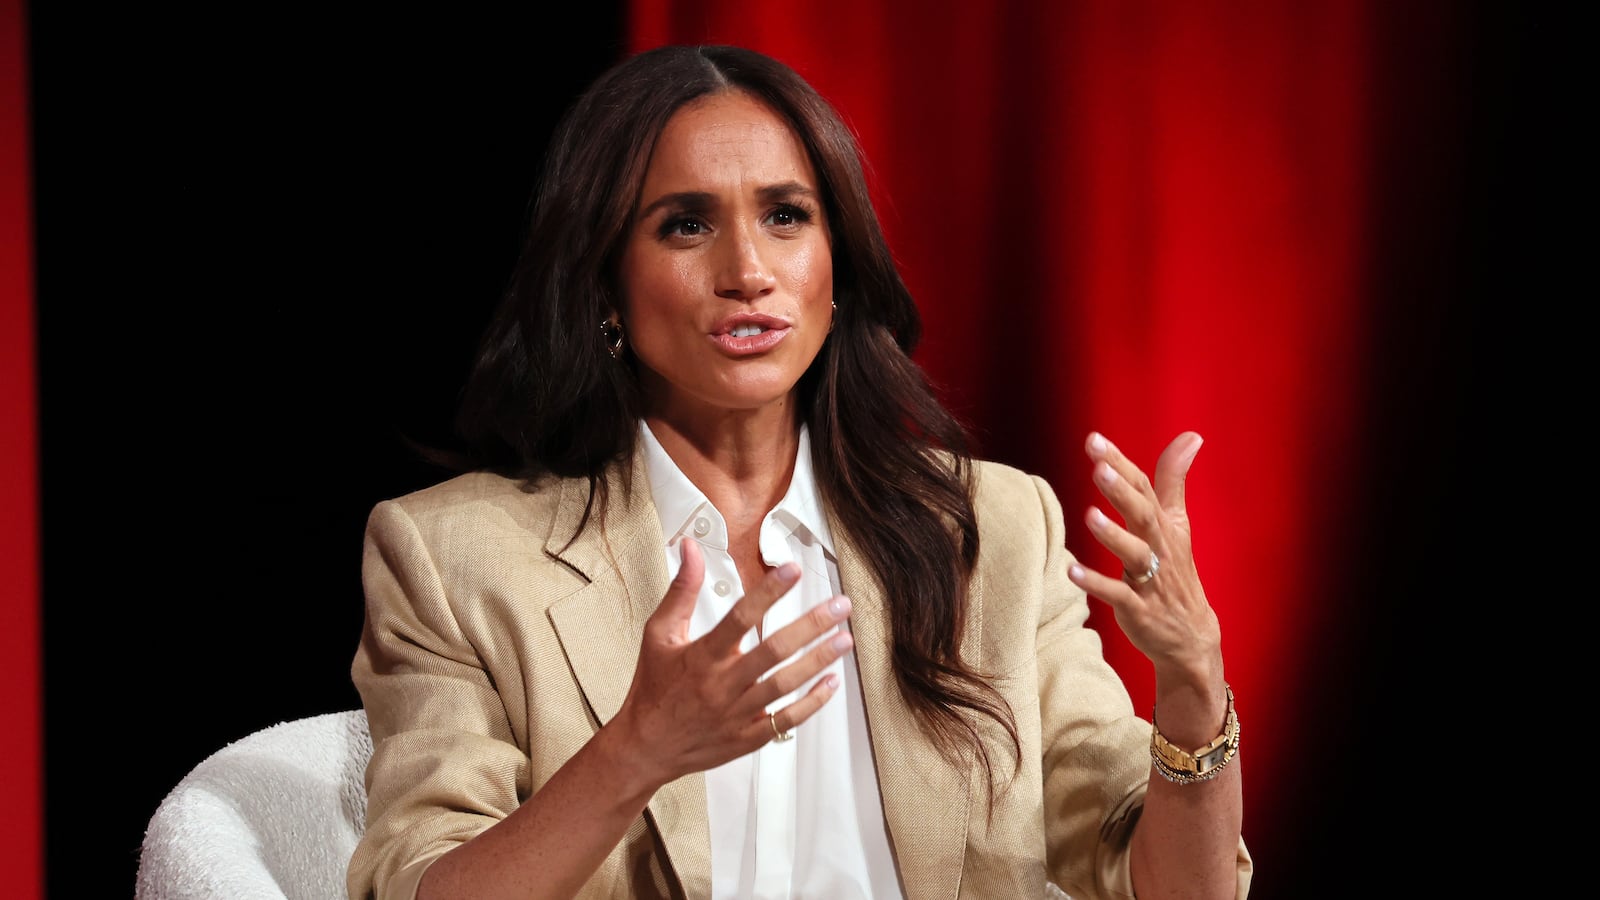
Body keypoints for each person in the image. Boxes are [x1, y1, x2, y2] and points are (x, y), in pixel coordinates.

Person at [347, 43, 1252, 900]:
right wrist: (635, 752)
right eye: (686, 224)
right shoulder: (451, 557)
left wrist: (1193, 687)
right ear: (603, 286)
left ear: (837, 267)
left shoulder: (993, 530)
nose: (748, 271)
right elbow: (423, 883)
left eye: (786, 216)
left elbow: (1178, 886)